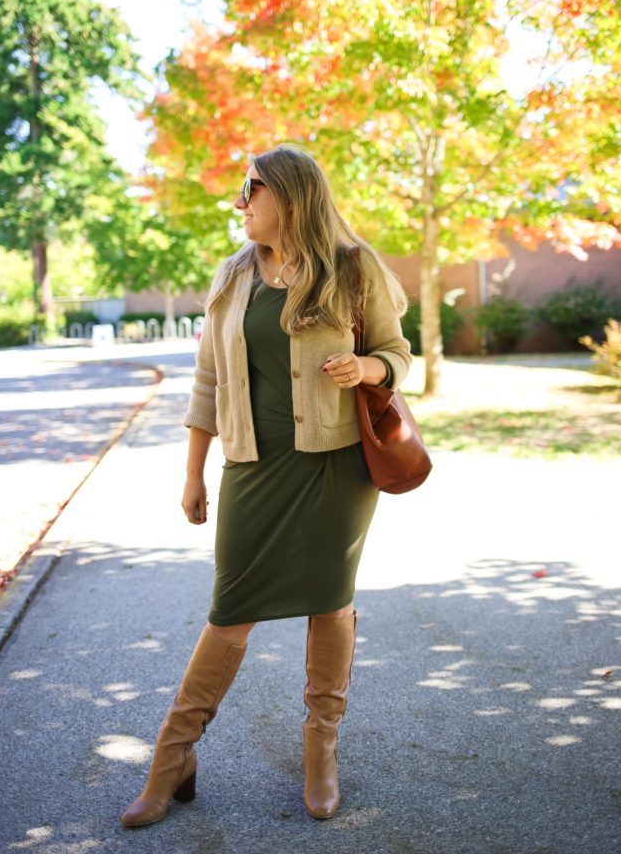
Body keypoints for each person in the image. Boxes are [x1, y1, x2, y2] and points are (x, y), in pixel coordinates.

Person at [121, 144, 412, 828]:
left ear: (289, 194)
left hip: (336, 468)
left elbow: (400, 355)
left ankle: (320, 751)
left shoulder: (352, 265)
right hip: (252, 469)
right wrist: (192, 472)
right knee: (230, 612)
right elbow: (206, 382)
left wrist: (366, 369)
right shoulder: (231, 277)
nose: (239, 201)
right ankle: (172, 758)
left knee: (330, 605)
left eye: (250, 188)